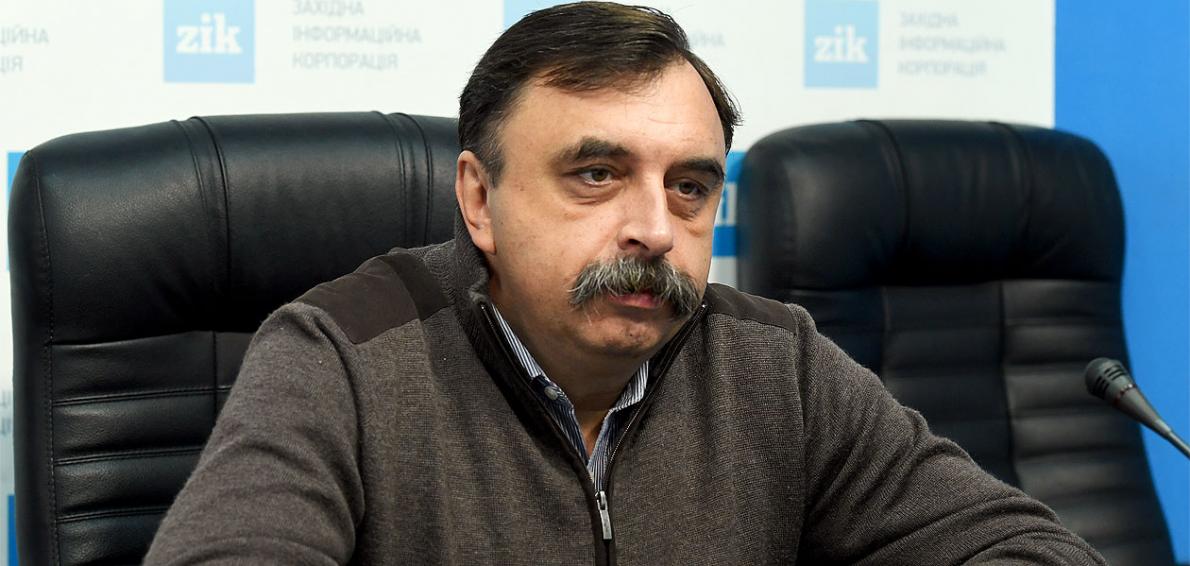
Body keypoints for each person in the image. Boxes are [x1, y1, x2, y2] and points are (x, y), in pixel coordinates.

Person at [145, 3, 1106, 564]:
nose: (655, 227)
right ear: (479, 199)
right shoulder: (342, 356)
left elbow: (1028, 550)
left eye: (690, 187)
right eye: (597, 174)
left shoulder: (777, 366)